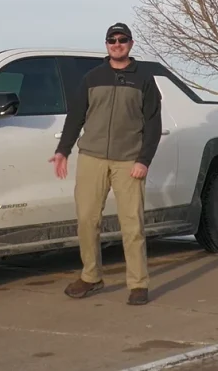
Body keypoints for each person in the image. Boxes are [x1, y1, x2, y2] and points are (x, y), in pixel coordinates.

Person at [50, 22, 162, 306]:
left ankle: (138, 283)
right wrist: (63, 150)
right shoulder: (92, 78)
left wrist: (143, 160)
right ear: (106, 44)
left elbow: (153, 124)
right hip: (92, 158)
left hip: (129, 162)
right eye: (112, 40)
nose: (117, 43)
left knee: (132, 225)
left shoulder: (145, 79)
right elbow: (76, 116)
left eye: (122, 39)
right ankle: (91, 277)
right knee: (87, 220)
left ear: (131, 44)